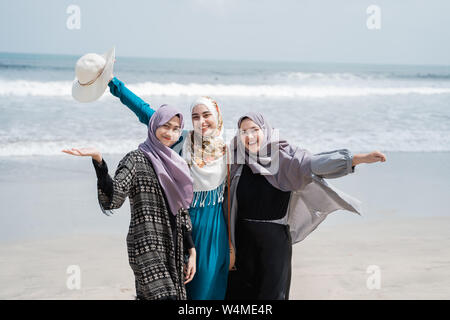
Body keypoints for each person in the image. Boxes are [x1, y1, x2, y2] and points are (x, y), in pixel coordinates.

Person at [225, 112, 387, 300]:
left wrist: (357, 159)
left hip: (274, 243)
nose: (249, 136)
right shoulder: (236, 160)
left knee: (271, 296)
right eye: (244, 131)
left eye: (255, 129)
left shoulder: (285, 159)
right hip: (242, 240)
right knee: (238, 296)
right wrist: (229, 245)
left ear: (266, 130)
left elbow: (314, 164)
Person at [107, 77, 230, 300]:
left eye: (206, 115)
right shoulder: (181, 140)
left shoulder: (230, 150)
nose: (201, 121)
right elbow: (147, 113)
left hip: (216, 229)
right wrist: (115, 85)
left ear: (217, 116)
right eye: (195, 116)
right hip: (186, 225)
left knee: (213, 288)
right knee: (186, 288)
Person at [62, 105, 196, 300]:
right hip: (146, 244)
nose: (170, 133)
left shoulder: (177, 163)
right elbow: (114, 197)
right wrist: (99, 160)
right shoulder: (135, 159)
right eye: (165, 126)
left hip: (172, 244)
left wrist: (191, 251)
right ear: (154, 125)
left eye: (176, 128)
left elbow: (181, 211)